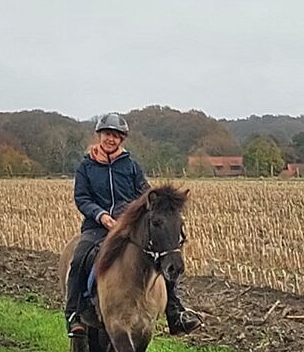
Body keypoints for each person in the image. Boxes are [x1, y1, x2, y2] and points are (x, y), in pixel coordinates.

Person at [65, 112, 202, 338]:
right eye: (108, 134)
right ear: (100, 135)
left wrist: (163, 201)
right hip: (97, 227)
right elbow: (82, 198)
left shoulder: (130, 166)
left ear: (122, 140)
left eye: (117, 136)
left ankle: (174, 312)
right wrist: (100, 216)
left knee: (161, 259)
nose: (112, 139)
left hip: (127, 228)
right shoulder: (86, 167)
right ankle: (74, 314)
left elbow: (145, 192)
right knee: (79, 259)